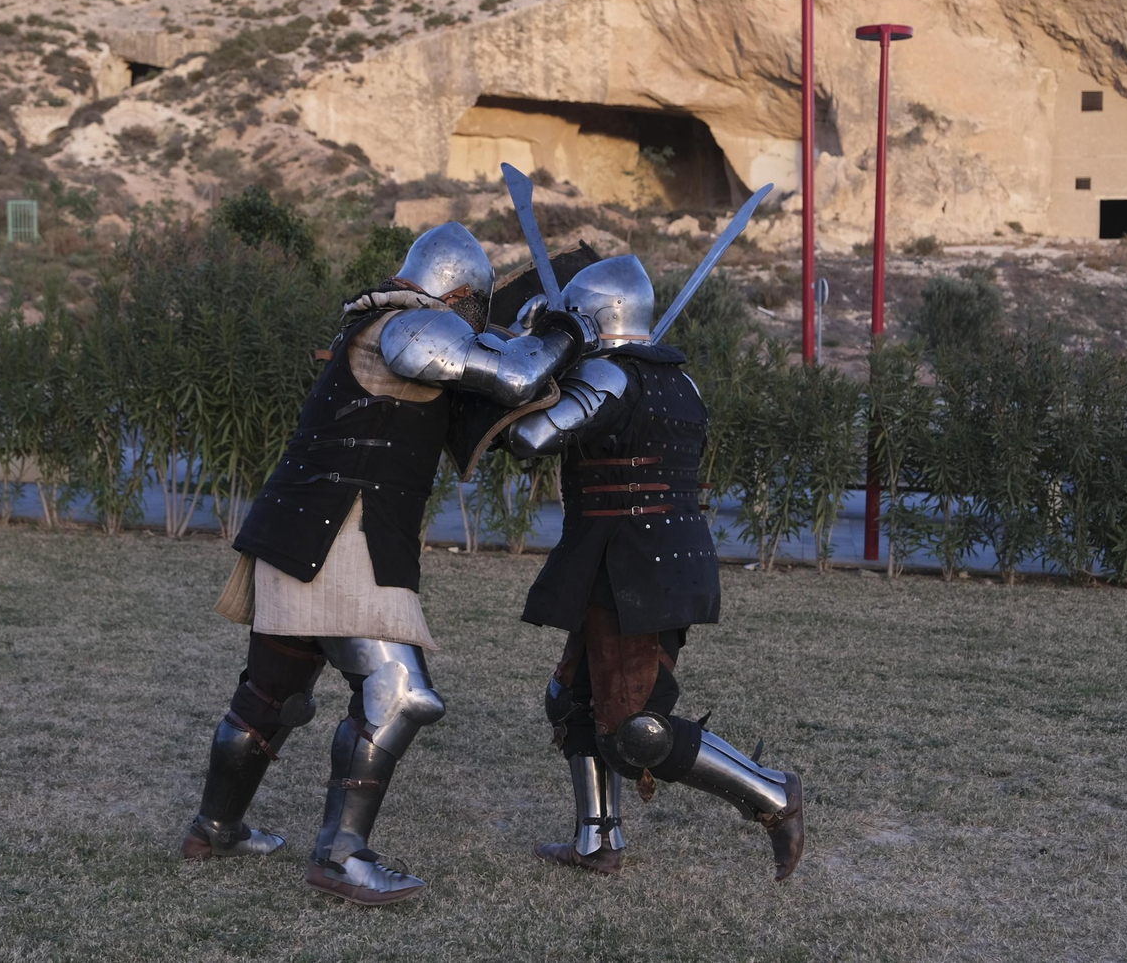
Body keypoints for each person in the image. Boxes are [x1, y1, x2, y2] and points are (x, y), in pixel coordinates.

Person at [188, 222, 596, 906]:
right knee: (399, 694)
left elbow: (498, 393)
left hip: (303, 531)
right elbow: (517, 373)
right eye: (474, 309)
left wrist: (528, 337)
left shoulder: (375, 326)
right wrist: (569, 332)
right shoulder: (411, 326)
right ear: (459, 294)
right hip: (337, 539)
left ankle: (215, 828)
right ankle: (341, 858)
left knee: (270, 698)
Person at [504, 254, 805, 881]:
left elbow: (530, 437)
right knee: (572, 701)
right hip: (630, 559)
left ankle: (772, 794)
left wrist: (531, 350)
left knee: (634, 730)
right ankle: (597, 842)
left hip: (631, 567)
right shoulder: (675, 379)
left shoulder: (611, 378)